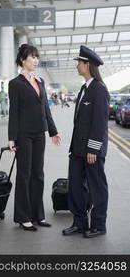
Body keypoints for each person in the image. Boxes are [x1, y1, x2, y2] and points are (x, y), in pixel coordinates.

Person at [8, 44, 61, 232]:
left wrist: (53, 131)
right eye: (33, 57)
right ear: (23, 59)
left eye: (37, 57)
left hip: (40, 134)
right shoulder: (15, 84)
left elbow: (45, 108)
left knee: (38, 174)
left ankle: (37, 215)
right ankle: (23, 217)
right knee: (24, 175)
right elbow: (13, 112)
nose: (36, 60)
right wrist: (12, 137)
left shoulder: (39, 81)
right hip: (23, 135)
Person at [62, 45, 110, 238]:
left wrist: (93, 149)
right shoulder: (83, 88)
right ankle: (80, 222)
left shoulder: (99, 90)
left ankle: (98, 225)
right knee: (75, 186)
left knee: (97, 188)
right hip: (78, 149)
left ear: (87, 65)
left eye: (79, 63)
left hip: (92, 150)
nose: (77, 66)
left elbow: (100, 123)